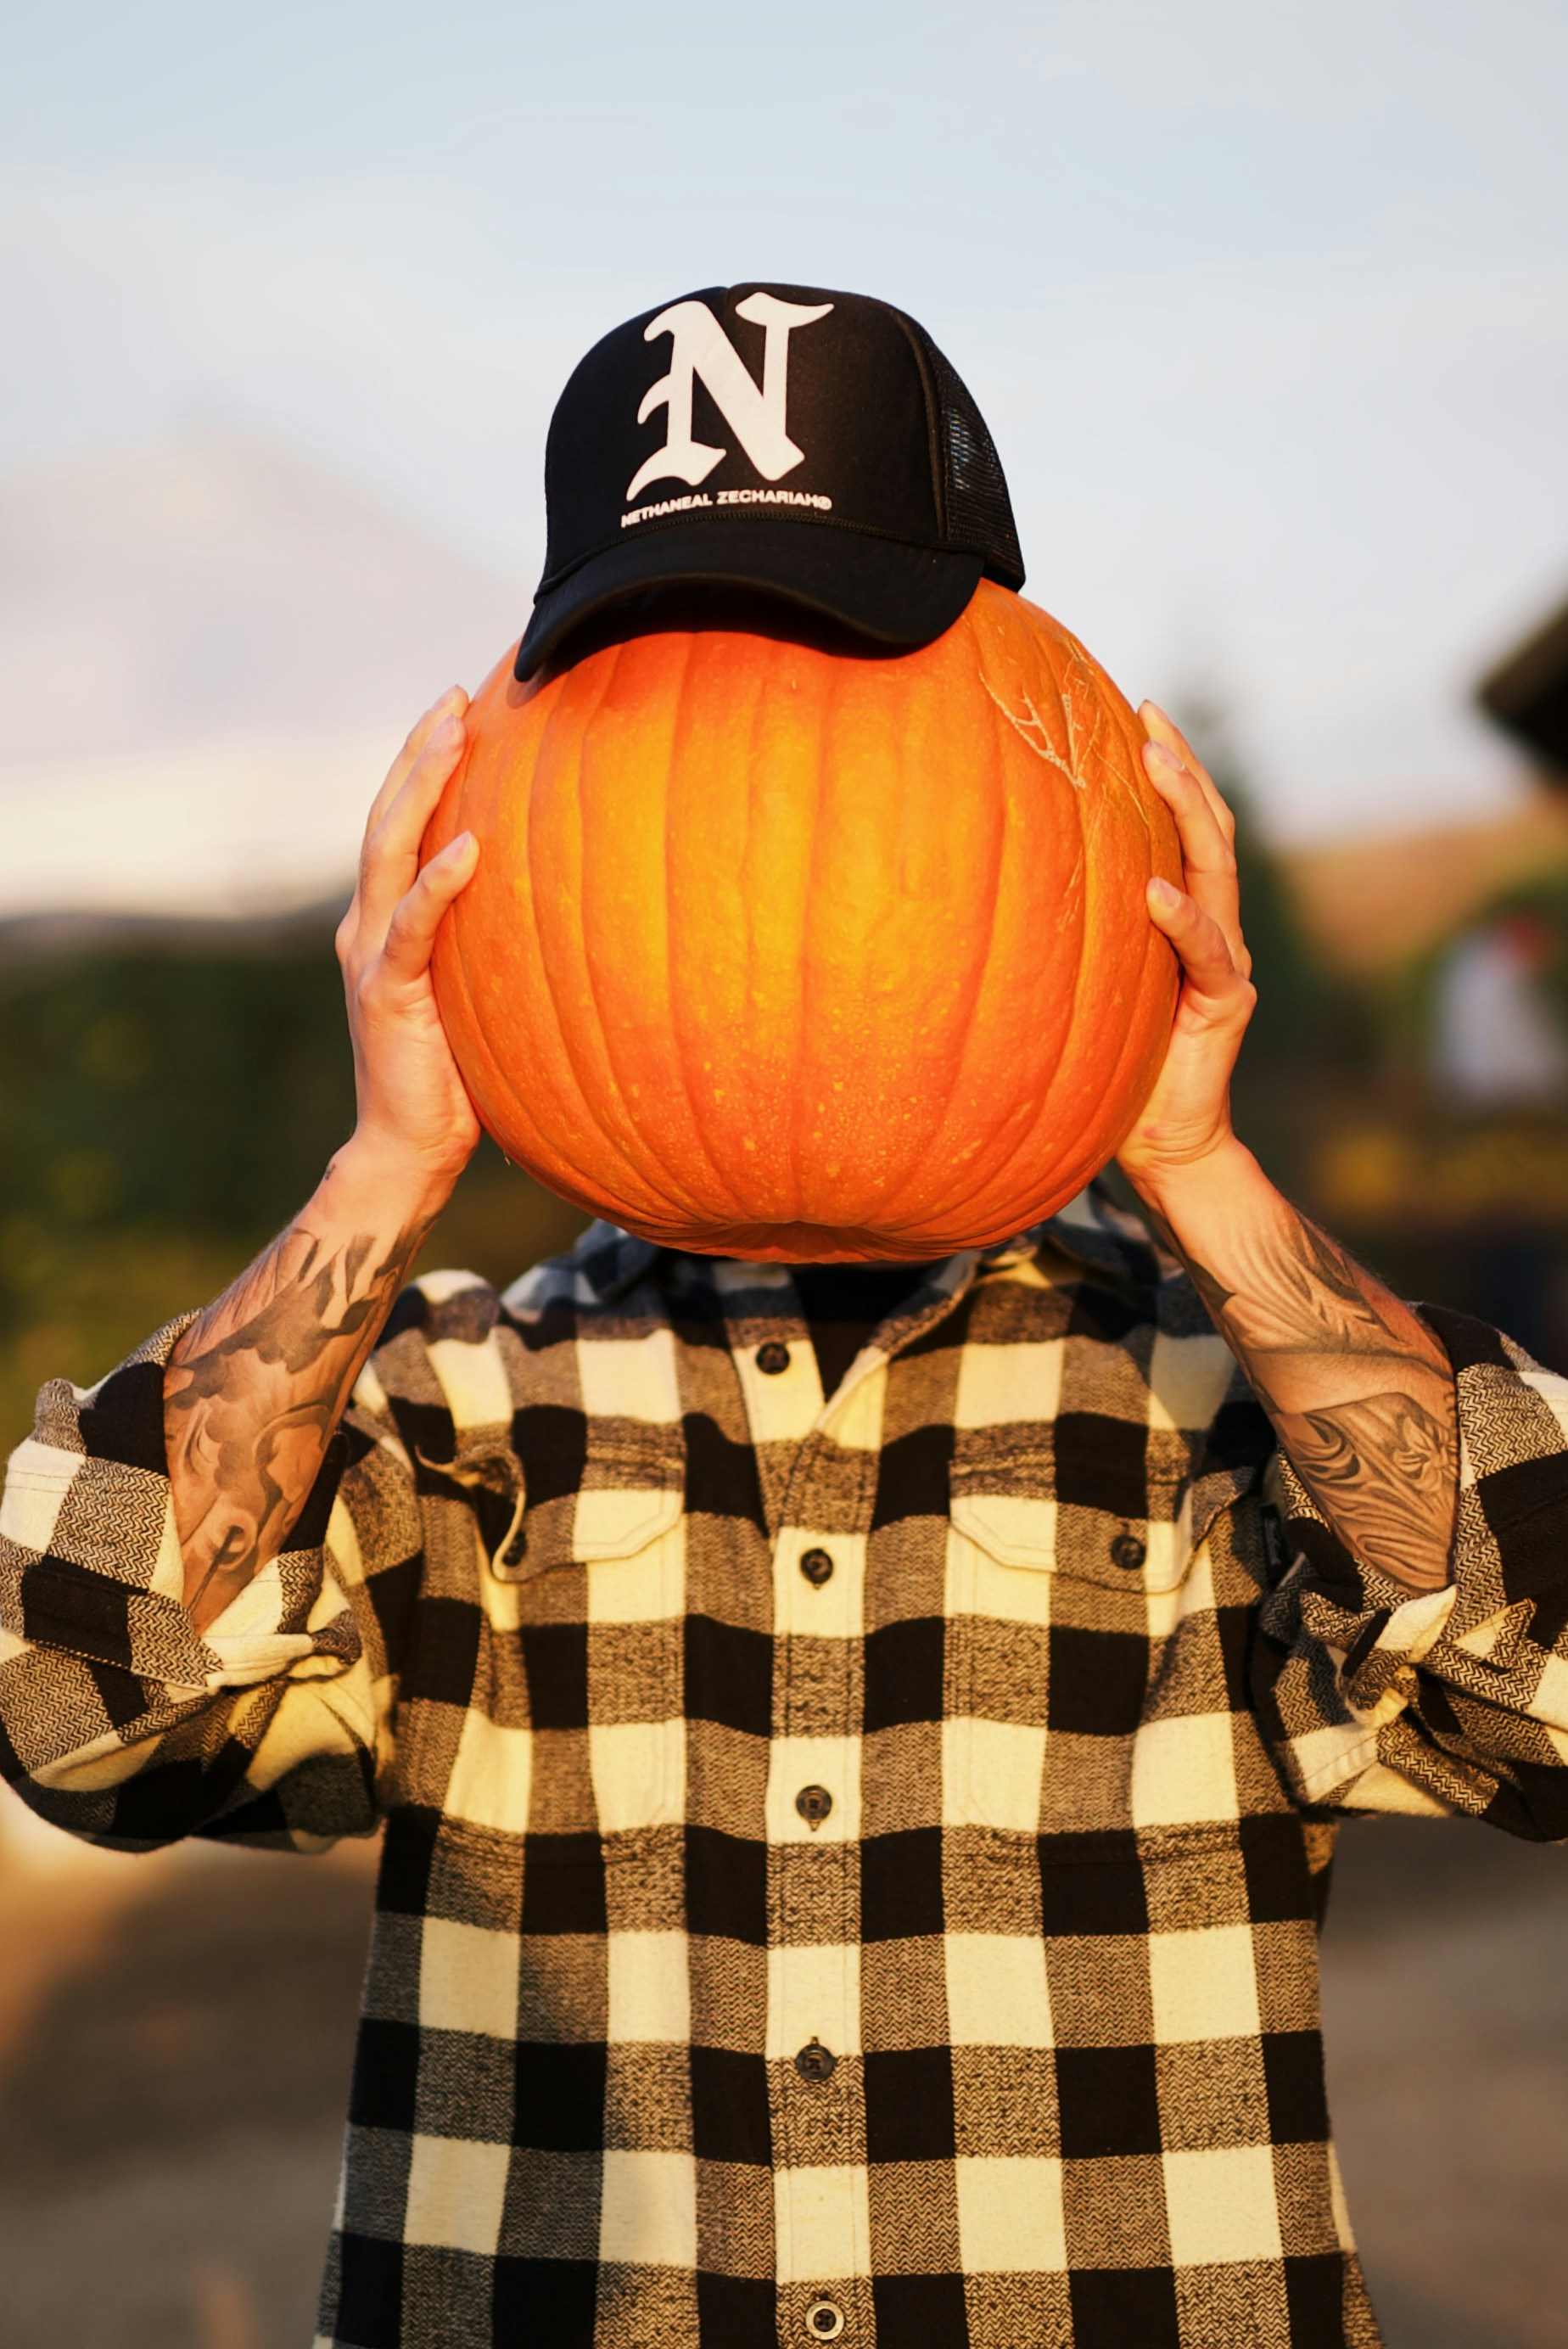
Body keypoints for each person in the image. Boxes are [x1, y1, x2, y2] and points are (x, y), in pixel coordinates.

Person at [5, 288, 1568, 2349]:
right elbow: (88, 1702)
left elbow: (1538, 1699)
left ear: (1084, 791)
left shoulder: (1203, 1393)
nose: (771, 867)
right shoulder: (458, 1397)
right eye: (654, 732)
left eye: (852, 713)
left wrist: (1196, 1154)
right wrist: (388, 1160)